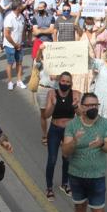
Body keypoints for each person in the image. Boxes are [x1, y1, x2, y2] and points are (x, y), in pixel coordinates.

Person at [62, 92, 107, 212]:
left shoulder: (105, 124)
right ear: (82, 107)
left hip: (97, 176)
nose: (93, 108)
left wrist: (101, 144)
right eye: (89, 105)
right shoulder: (72, 125)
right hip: (76, 175)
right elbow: (65, 153)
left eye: (95, 105)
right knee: (79, 208)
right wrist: (75, 141)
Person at [44, 72, 80, 201]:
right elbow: (46, 115)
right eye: (63, 81)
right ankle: (49, 187)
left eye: (68, 82)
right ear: (59, 81)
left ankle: (65, 184)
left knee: (67, 159)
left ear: (71, 83)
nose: (65, 84)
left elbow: (81, 114)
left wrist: (76, 106)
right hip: (55, 130)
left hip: (69, 131)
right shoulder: (52, 94)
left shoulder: (76, 94)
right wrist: (53, 104)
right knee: (52, 159)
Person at [3, 0, 27, 90]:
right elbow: (7, 34)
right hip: (10, 45)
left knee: (19, 63)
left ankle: (19, 81)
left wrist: (21, 43)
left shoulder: (21, 17)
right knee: (10, 63)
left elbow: (23, 31)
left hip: (19, 45)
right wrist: (15, 44)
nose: (23, 7)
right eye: (21, 6)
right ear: (17, 8)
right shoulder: (9, 18)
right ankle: (9, 82)